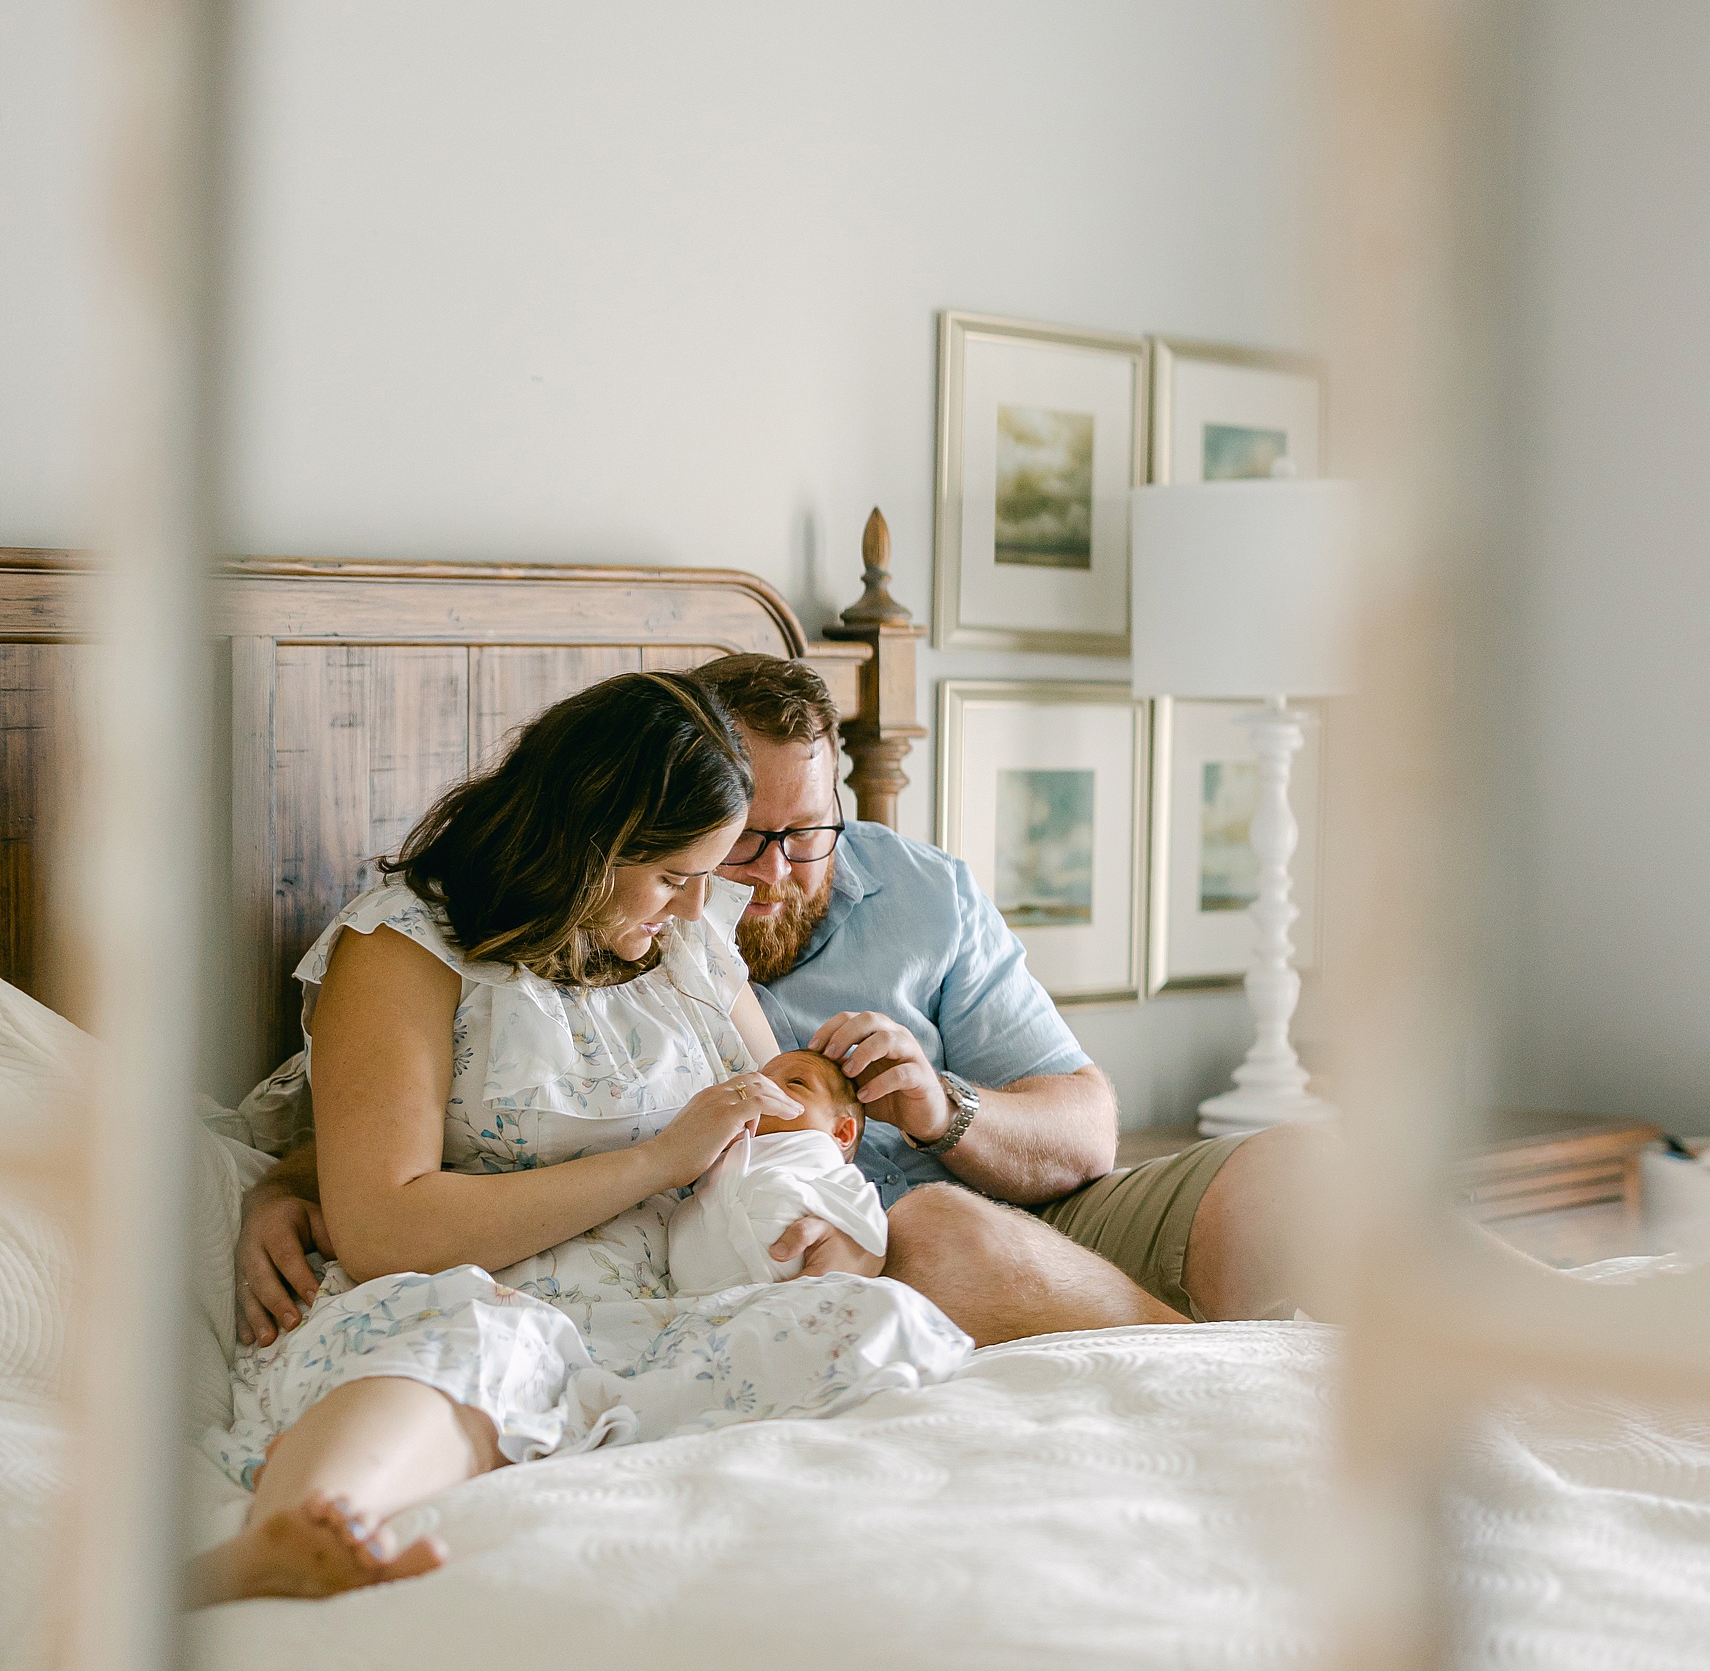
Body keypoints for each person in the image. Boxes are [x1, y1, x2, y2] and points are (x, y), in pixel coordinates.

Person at [238, 652, 1330, 1352]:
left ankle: (1359, 1372)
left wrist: (943, 1106)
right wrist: (296, 1181)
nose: (769, 874)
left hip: (999, 1205)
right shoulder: (551, 937)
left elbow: (1086, 1128)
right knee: (942, 1234)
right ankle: (1227, 1371)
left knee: (1303, 1178)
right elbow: (454, 1131)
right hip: (882, 1243)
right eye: (733, 845)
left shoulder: (896, 887)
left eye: (808, 834)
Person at [190, 672, 969, 1607]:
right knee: (470, 1354)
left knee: (875, 1323)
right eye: (675, 877)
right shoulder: (403, 949)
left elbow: (784, 1134)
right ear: (590, 846)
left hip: (672, 1306)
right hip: (473, 1292)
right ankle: (301, 1527)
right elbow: (380, 1225)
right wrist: (654, 1163)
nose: (693, 911)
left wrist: (821, 1230)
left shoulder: (687, 949)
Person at [666, 1047, 886, 1295]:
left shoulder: (820, 1154)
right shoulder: (722, 1150)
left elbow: (868, 1218)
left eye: (796, 1083)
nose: (765, 1087)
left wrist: (867, 1245)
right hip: (706, 1299)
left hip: (800, 1287)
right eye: (761, 1078)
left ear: (841, 1132)